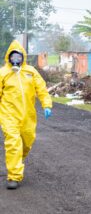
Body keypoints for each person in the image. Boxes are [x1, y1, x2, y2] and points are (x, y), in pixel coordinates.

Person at [0, 40, 52, 190]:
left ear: (23, 57)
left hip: (28, 116)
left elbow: (41, 89)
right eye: (13, 56)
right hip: (9, 115)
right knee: (13, 143)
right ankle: (14, 176)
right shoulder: (3, 73)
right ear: (8, 57)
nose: (16, 59)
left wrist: (46, 104)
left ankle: (17, 160)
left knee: (27, 143)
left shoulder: (31, 71)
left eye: (19, 56)